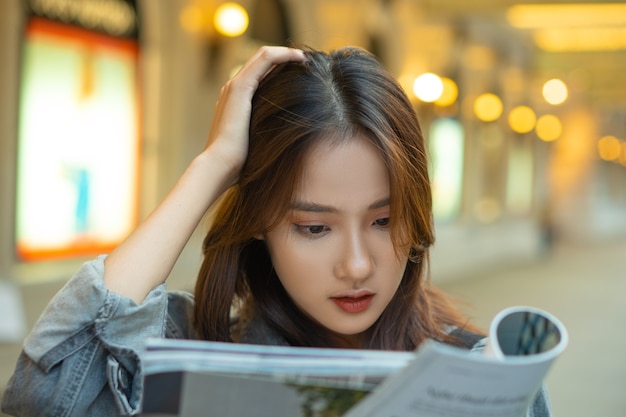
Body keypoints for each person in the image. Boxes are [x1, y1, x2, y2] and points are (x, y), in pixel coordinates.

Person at [1, 46, 551, 416]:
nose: (357, 265)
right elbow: (46, 399)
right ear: (261, 222)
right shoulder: (196, 355)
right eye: (314, 227)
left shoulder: (487, 377)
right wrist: (214, 164)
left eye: (384, 221)